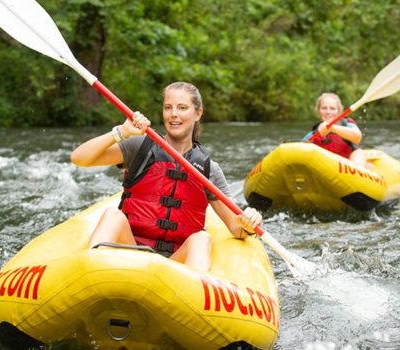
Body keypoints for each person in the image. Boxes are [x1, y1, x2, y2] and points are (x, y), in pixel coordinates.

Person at [70, 82, 262, 273]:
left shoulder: (208, 169)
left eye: (182, 108)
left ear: (198, 113)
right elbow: (79, 158)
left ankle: (193, 290)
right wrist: (122, 132)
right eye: (168, 107)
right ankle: (92, 271)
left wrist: (251, 220)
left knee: (201, 238)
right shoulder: (139, 146)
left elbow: (237, 228)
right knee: (112, 216)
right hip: (129, 252)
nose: (173, 114)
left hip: (175, 267)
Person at [302, 92, 371, 168]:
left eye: (332, 109)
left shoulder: (346, 124)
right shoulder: (314, 132)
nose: (328, 112)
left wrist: (333, 128)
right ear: (318, 111)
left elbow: (358, 137)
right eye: (324, 108)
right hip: (328, 167)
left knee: (358, 153)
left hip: (349, 163)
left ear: (339, 111)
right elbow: (299, 148)